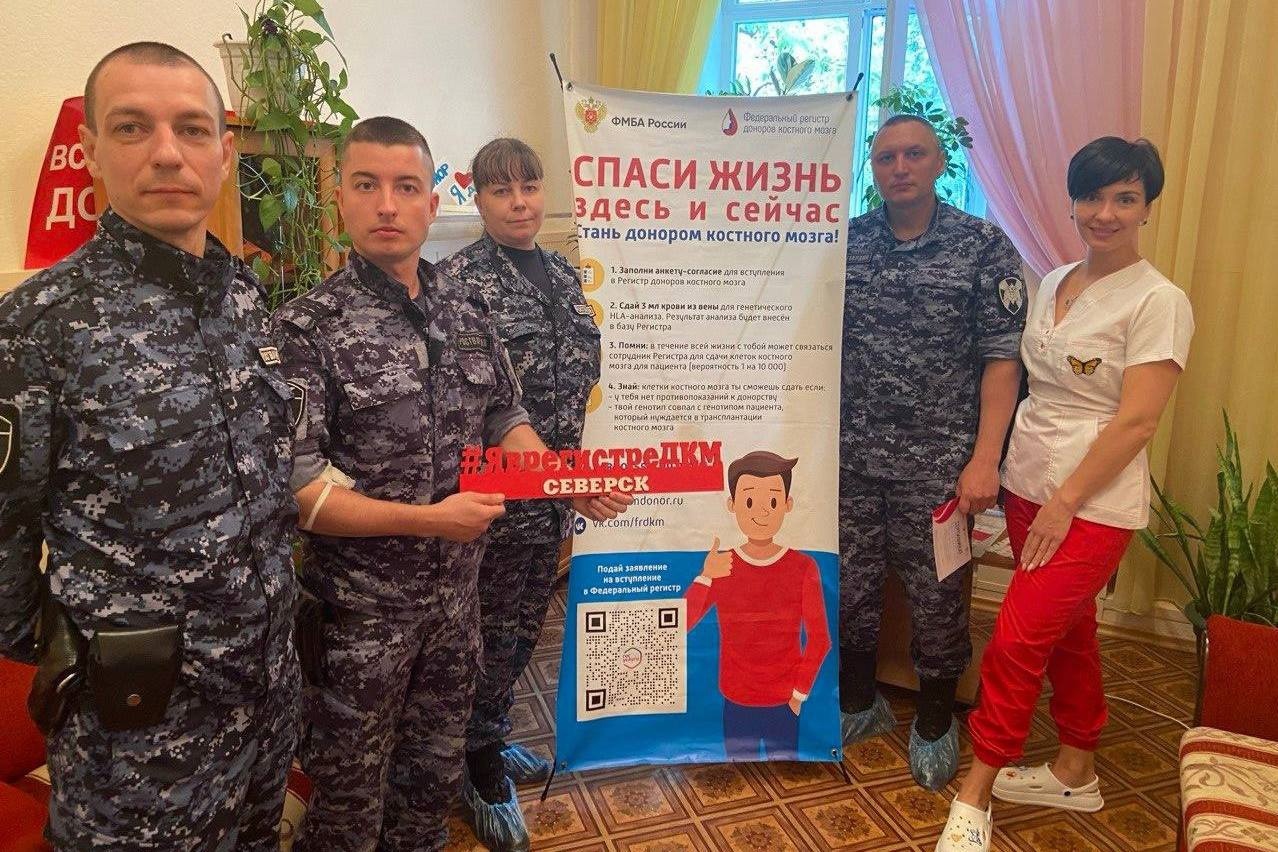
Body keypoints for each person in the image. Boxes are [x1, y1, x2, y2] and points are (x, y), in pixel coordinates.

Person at [273, 117, 627, 852]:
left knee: (428, 797)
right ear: (339, 198)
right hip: (361, 624)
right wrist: (433, 520)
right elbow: (302, 493)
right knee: (347, 812)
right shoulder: (306, 329)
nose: (387, 205)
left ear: (432, 203)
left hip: (455, 613)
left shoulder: (464, 311)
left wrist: (565, 480)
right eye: (367, 185)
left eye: (407, 187)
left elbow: (505, 415)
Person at [0, 42, 299, 848]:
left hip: (267, 695)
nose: (168, 153)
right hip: (138, 735)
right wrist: (70, 657)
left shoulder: (246, 297)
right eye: (133, 128)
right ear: (92, 150)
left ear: (224, 153)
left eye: (192, 129)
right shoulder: (39, 324)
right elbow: (2, 531)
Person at [937, 137, 1192, 852]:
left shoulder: (1159, 300)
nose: (1104, 213)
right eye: (1092, 197)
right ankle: (1076, 768)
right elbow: (1030, 382)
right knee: (1069, 631)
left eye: (1124, 198)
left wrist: (1067, 499)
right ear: (1073, 202)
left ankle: (975, 793)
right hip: (1028, 480)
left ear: (1148, 208)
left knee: (1015, 641)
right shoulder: (1052, 281)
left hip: (1091, 502)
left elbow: (1138, 420)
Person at [839, 114, 1025, 789]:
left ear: (940, 162)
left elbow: (1002, 362)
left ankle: (936, 720)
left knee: (939, 596)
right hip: (851, 457)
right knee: (851, 587)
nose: (900, 167)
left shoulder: (982, 247)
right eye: (886, 157)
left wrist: (985, 459)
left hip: (939, 464)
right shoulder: (848, 243)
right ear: (873, 168)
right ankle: (857, 703)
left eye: (914, 153)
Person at [437, 138, 603, 849]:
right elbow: (463, 405)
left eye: (529, 187)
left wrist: (572, 479)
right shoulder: (458, 282)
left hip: (553, 499)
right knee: (486, 635)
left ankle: (492, 735)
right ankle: (475, 767)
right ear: (478, 198)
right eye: (501, 191)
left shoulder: (562, 275)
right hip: (495, 502)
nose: (519, 203)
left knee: (525, 630)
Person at [686, 451, 831, 761]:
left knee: (787, 774)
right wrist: (705, 577)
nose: (762, 511)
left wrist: (798, 695)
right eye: (750, 500)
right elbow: (682, 622)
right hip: (736, 700)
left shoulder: (803, 567)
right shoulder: (723, 565)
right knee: (740, 774)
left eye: (773, 501)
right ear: (732, 504)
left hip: (785, 701)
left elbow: (820, 639)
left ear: (787, 504)